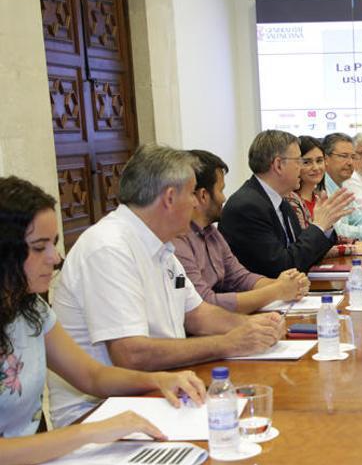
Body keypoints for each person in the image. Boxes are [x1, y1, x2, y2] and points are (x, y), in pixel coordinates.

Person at [49, 145, 286, 427]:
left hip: (161, 389)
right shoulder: (109, 248)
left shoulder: (162, 245)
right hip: (101, 413)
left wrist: (253, 328)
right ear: (170, 198)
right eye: (191, 194)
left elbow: (198, 314)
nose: (196, 204)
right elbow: (130, 354)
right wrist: (228, 343)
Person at [0, 176, 206, 465]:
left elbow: (91, 375)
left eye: (54, 244)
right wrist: (89, 432)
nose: (55, 258)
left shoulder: (31, 308)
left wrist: (156, 379)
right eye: (38, 247)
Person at [172, 149, 310, 314]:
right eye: (221, 190)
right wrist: (276, 291)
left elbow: (240, 278)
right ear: (203, 196)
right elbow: (205, 303)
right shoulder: (178, 240)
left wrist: (288, 284)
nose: (224, 198)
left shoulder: (211, 232)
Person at [219, 130, 354, 276]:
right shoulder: (247, 207)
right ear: (278, 165)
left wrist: (326, 226)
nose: (301, 167)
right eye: (298, 161)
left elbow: (304, 254)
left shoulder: (280, 201)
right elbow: (282, 267)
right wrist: (319, 226)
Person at [287, 136, 362, 257]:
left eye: (319, 161)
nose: (316, 167)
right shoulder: (291, 201)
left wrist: (355, 243)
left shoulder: (318, 197)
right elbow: (308, 248)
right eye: (307, 162)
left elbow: (332, 236)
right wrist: (352, 249)